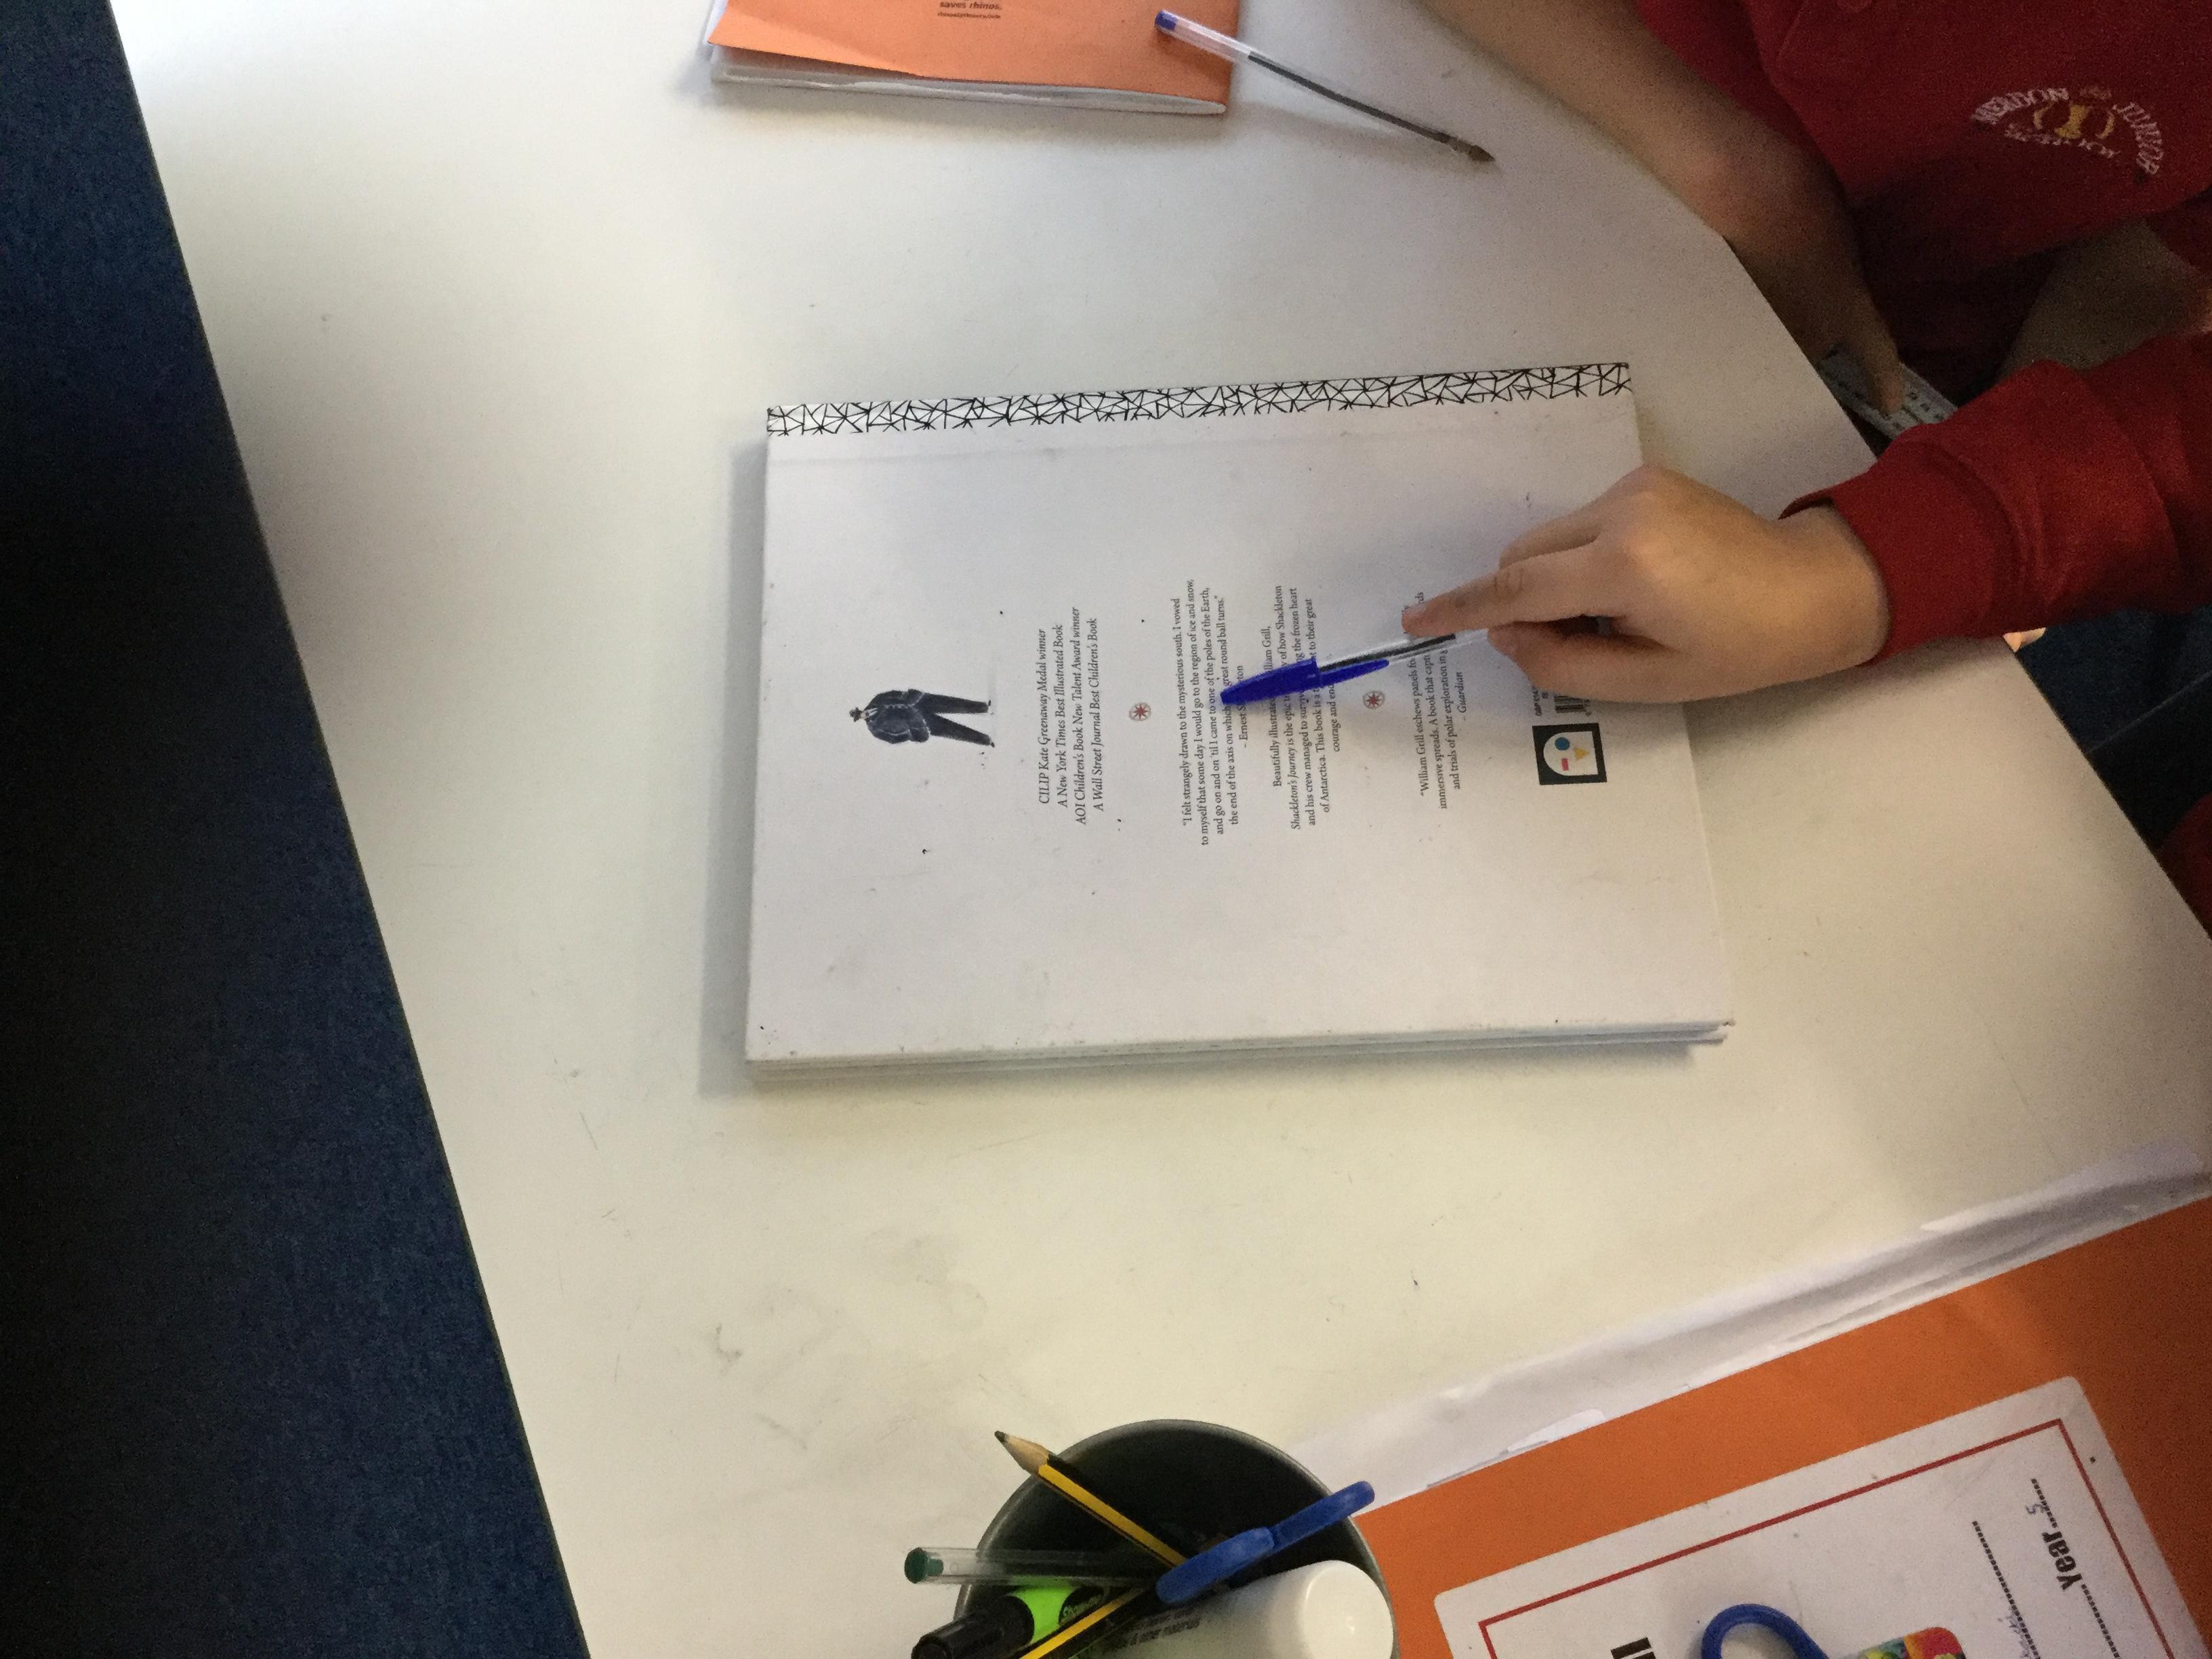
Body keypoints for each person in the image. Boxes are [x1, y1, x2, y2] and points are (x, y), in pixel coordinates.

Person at [1405, 0, 2212, 920]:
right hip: (1554, 150)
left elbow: (2139, 284)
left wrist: (1974, 521)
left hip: (1912, 384)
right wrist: (1742, 175)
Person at [853, 689, 994, 746]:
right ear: (860, 719)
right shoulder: (876, 729)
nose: (863, 715)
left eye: (860, 712)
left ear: (862, 709)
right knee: (953, 730)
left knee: (953, 703)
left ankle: (983, 707)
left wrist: (910, 696)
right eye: (859, 717)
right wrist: (912, 733)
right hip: (919, 724)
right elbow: (893, 739)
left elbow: (896, 693)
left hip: (920, 703)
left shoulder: (877, 700)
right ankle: (986, 740)